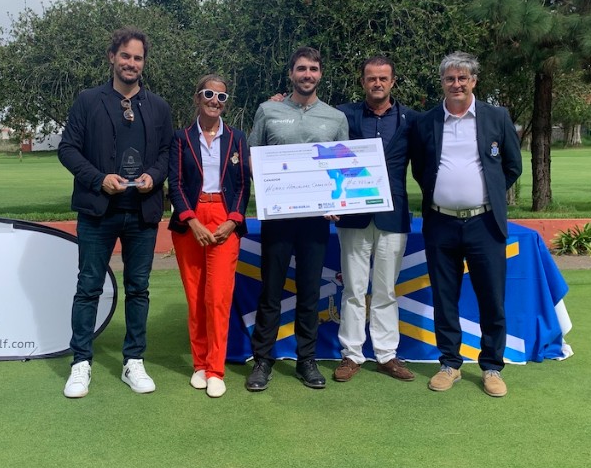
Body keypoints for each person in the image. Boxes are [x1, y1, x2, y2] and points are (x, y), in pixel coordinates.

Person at [58, 27, 172, 398]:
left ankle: (133, 361)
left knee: (138, 288)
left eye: (138, 58)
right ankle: (81, 363)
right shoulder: (88, 101)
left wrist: (153, 178)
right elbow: (68, 149)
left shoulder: (158, 107)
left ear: (144, 63)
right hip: (98, 211)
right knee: (89, 286)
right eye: (125, 56)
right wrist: (97, 179)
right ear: (112, 57)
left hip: (142, 213)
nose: (131, 63)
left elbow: (167, 155)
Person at [409, 51, 522, 397]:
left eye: (462, 78)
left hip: (484, 223)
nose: (456, 84)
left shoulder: (496, 117)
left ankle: (491, 366)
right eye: (449, 79)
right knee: (446, 297)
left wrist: (483, 195)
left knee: (492, 297)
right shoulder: (427, 121)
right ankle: (450, 364)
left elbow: (512, 166)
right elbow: (420, 169)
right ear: (442, 82)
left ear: (474, 81)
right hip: (440, 223)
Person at [245, 46, 349, 391]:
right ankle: (263, 360)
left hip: (316, 221)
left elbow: (343, 171)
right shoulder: (268, 110)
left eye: (314, 69)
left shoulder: (335, 118)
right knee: (270, 291)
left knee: (308, 293)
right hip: (277, 218)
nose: (308, 74)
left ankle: (307, 359)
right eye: (301, 68)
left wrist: (339, 201)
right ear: (291, 73)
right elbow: (251, 158)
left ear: (320, 74)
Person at [332, 56, 419, 383]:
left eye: (383, 78)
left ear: (393, 81)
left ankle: (386, 355)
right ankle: (351, 354)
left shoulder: (411, 119)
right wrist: (280, 101)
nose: (377, 83)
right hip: (353, 214)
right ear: (363, 81)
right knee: (353, 288)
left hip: (393, 214)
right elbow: (309, 114)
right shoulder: (344, 114)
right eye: (371, 78)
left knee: (385, 289)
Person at [168, 75, 252, 398]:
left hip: (224, 218)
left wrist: (233, 220)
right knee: (195, 296)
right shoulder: (181, 138)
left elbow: (244, 184)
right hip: (191, 219)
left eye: (221, 96)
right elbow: (174, 183)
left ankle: (216, 368)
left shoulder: (237, 138)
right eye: (208, 94)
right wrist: (191, 220)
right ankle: (199, 363)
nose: (215, 101)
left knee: (217, 297)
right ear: (197, 97)